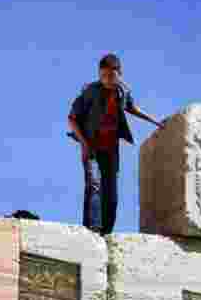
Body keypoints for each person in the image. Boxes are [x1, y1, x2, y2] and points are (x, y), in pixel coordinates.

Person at [67, 53, 165, 235]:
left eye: (110, 76)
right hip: (91, 146)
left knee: (111, 192)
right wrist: (83, 143)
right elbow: (72, 119)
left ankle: (106, 231)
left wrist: (155, 121)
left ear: (119, 74)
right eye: (103, 76)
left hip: (111, 149)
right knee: (94, 185)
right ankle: (91, 230)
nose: (106, 80)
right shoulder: (90, 91)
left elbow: (132, 108)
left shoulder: (122, 91)